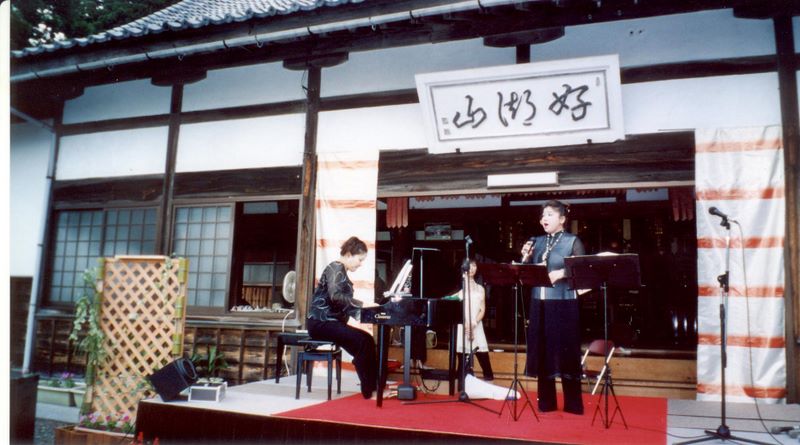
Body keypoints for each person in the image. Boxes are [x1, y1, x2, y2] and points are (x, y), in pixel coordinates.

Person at [521, 200, 585, 415]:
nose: (544, 218)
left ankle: (573, 404)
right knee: (542, 350)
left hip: (564, 303)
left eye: (549, 214)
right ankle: (546, 403)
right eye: (542, 215)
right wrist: (526, 257)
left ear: (562, 219)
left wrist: (563, 273)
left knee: (565, 350)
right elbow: (526, 271)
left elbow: (583, 270)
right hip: (539, 302)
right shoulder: (536, 241)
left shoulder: (572, 241)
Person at [307, 236, 378, 399]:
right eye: (359, 259)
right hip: (321, 322)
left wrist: (369, 313)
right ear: (348, 254)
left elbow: (342, 303)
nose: (360, 264)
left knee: (366, 340)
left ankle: (373, 386)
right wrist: (363, 305)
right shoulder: (336, 267)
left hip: (328, 322)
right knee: (363, 342)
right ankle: (370, 391)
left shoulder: (339, 270)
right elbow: (336, 296)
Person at [456, 260, 494, 382]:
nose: (472, 268)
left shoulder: (480, 288)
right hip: (463, 325)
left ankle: (489, 381)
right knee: (462, 357)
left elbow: (482, 309)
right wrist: (466, 324)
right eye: (469, 266)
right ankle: (461, 384)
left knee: (483, 354)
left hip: (476, 324)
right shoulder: (460, 288)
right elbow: (456, 308)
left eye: (474, 265)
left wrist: (473, 323)